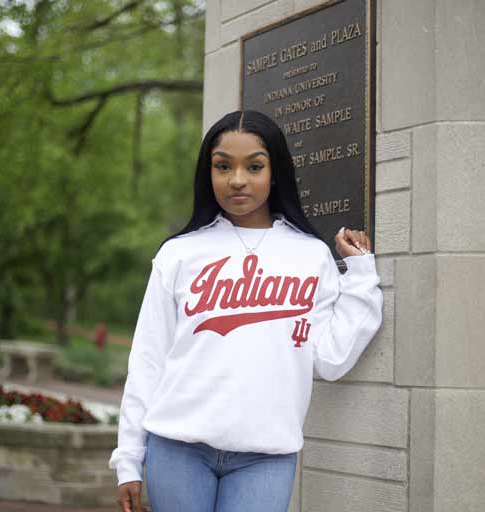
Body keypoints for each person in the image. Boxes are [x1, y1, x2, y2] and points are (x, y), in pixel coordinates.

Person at [109, 110, 383, 512]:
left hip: (266, 456)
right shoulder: (180, 253)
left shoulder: (310, 256)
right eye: (223, 166)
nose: (237, 179)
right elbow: (148, 360)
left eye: (254, 166)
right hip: (178, 449)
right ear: (209, 172)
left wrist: (359, 274)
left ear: (276, 172)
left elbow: (330, 359)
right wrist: (128, 460)